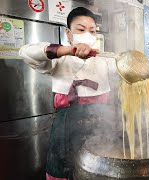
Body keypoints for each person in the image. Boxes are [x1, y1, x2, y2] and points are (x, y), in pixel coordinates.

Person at [19, 7, 118, 180]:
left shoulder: (104, 61)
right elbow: (26, 53)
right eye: (81, 29)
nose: (87, 34)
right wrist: (67, 51)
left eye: (92, 31)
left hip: (100, 130)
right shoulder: (59, 60)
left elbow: (124, 71)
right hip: (65, 132)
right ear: (69, 33)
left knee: (97, 171)